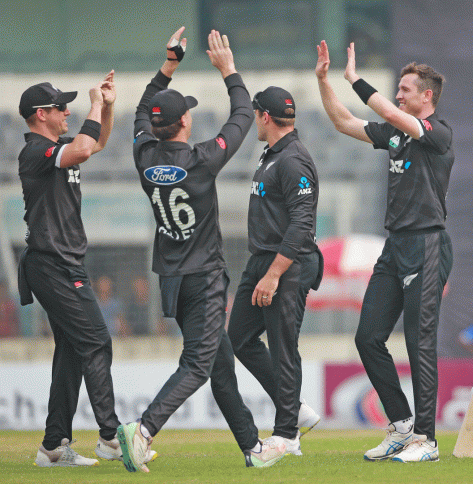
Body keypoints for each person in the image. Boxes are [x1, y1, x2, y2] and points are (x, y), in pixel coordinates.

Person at [116, 27, 286, 472]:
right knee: (197, 364)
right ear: (185, 122)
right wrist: (229, 70)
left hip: (172, 280)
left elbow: (141, 110)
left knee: (219, 365)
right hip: (205, 278)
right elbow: (243, 115)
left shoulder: (143, 156)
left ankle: (252, 447)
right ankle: (144, 429)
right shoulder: (202, 160)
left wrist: (168, 65)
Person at [316, 40, 454, 462]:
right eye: (397, 89)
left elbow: (393, 114)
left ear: (426, 96)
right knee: (368, 337)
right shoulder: (395, 134)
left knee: (419, 344)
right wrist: (323, 81)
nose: (398, 95)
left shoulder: (439, 133)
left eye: (405, 89)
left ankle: (427, 441)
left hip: (427, 244)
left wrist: (355, 79)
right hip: (395, 245)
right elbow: (343, 122)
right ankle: (401, 426)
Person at [17, 71, 130, 468]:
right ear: (41, 114)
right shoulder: (35, 150)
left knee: (72, 352)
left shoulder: (58, 147)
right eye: (61, 107)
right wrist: (94, 104)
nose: (67, 111)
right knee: (97, 341)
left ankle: (53, 447)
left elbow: (96, 142)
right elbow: (83, 149)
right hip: (52, 264)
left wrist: (108, 107)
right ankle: (111, 437)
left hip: (62, 263)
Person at [227, 85, 323, 455]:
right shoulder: (273, 154)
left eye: (255, 115)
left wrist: (274, 274)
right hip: (262, 259)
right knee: (238, 338)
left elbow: (301, 224)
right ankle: (295, 409)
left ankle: (287, 434)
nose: (255, 121)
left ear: (264, 116)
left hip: (286, 263)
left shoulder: (293, 159)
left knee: (284, 347)